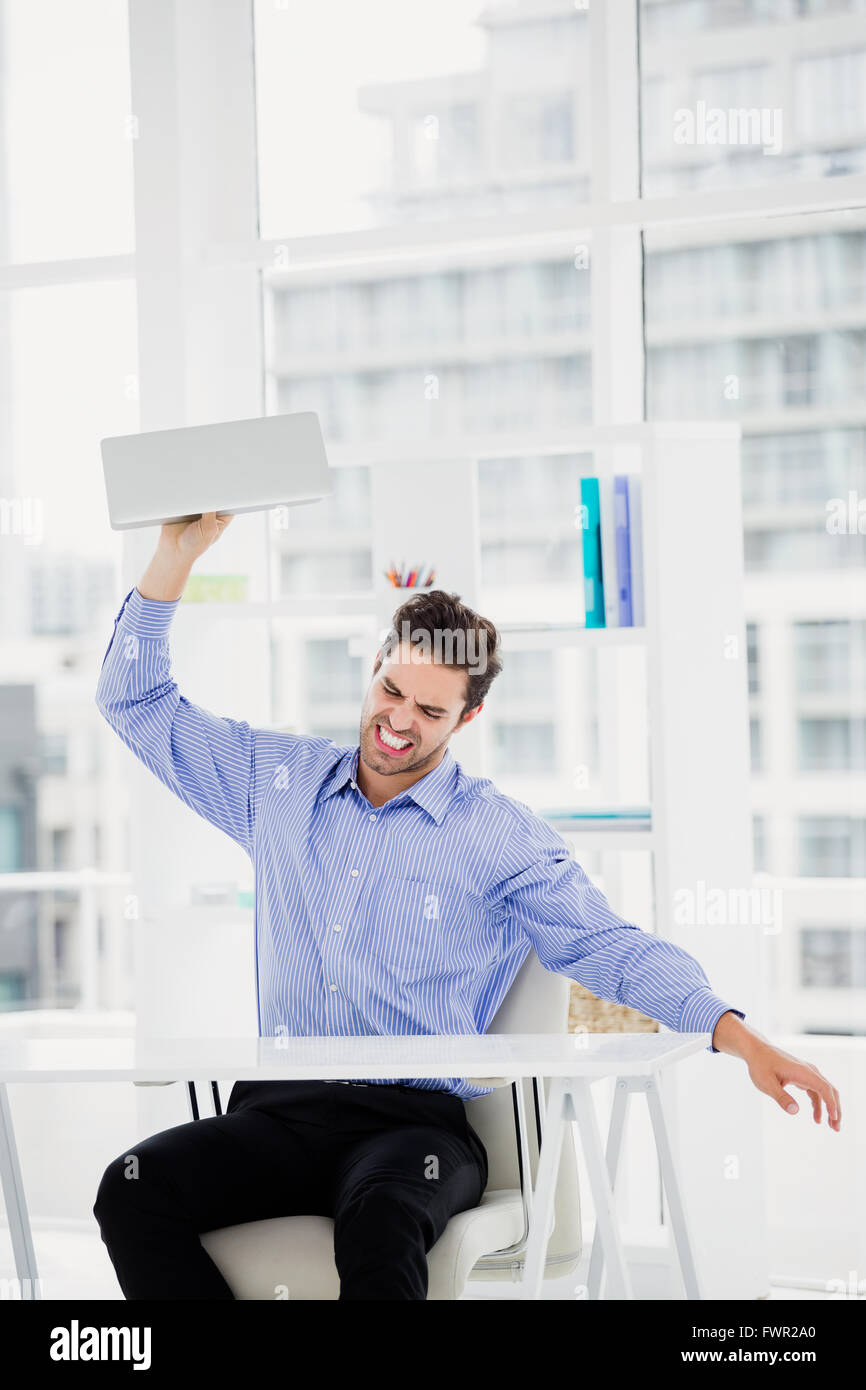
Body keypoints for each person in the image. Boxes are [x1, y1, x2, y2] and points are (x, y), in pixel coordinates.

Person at [92, 512, 841, 1301]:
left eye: (430, 711)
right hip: (278, 1112)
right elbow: (133, 700)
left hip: (413, 1132)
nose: (399, 721)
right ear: (375, 665)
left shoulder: (499, 836)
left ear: (468, 718)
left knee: (379, 1223)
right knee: (132, 1189)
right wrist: (173, 557)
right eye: (391, 690)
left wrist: (739, 1034)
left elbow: (607, 945)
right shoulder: (274, 783)